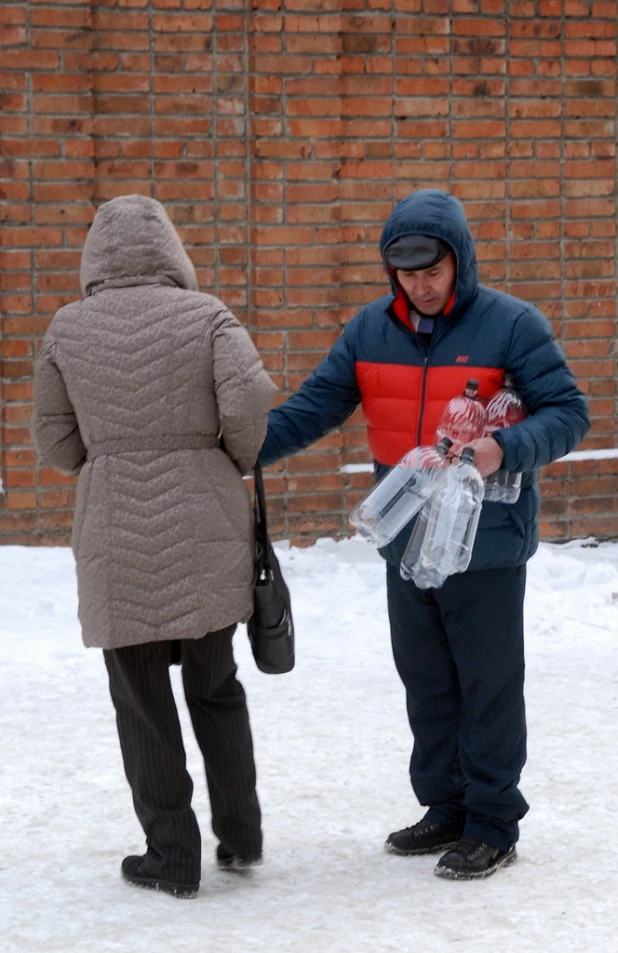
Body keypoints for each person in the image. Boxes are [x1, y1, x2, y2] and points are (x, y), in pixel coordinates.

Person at [260, 189, 589, 880]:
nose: (421, 284)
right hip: (408, 540)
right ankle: (446, 805)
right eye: (406, 272)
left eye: (432, 269)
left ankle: (494, 820)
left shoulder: (511, 325)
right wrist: (239, 446)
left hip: (487, 539)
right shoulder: (368, 331)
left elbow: (568, 412)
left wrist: (507, 446)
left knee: (487, 683)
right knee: (427, 682)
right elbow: (313, 407)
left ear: (459, 260)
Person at [31, 194, 276, 898]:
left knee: (140, 699)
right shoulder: (207, 317)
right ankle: (241, 833)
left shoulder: (66, 329)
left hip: (116, 533)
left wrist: (106, 455)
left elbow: (53, 440)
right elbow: (251, 404)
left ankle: (171, 855)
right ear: (170, 248)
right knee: (216, 685)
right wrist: (223, 456)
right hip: (207, 525)